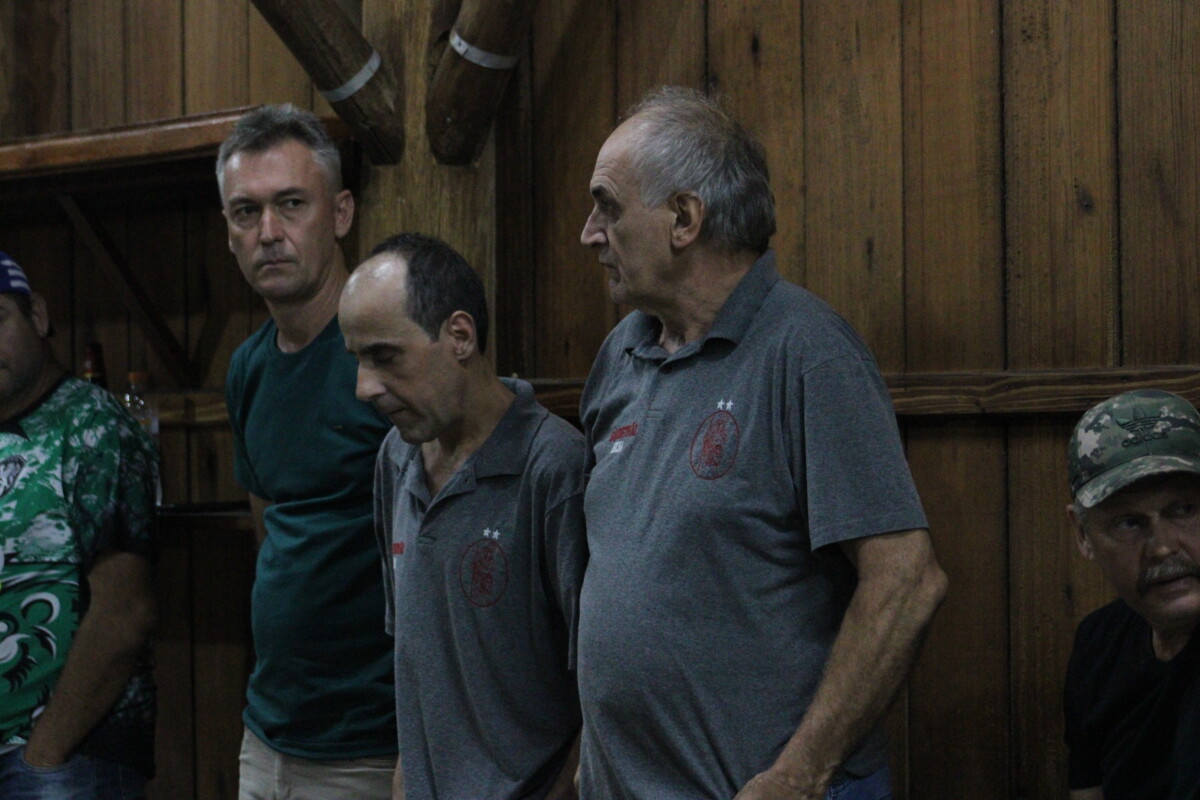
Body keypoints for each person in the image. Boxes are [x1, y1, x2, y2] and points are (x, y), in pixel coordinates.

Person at [576, 86, 948, 800]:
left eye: (608, 207)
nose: (590, 234)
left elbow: (907, 581)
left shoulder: (808, 352)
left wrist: (800, 772)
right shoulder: (621, 353)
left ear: (684, 218)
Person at [340, 232, 586, 800]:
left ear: (459, 336)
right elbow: (416, 660)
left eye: (384, 357)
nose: (363, 388)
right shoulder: (395, 457)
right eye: (356, 360)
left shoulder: (554, 468)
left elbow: (609, 688)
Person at [217, 105, 396, 798]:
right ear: (228, 232)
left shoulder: (390, 353)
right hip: (269, 731)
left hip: (376, 742)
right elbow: (270, 530)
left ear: (341, 213)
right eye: (246, 212)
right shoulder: (248, 368)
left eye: (291, 204)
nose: (268, 232)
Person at [0, 251, 159, 797]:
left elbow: (125, 611)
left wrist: (46, 751)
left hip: (65, 757)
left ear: (38, 316)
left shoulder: (93, 427)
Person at [1063, 389, 1200, 800]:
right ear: (1083, 535)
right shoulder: (1099, 643)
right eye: (1129, 523)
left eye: (1184, 509)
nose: (1163, 547)